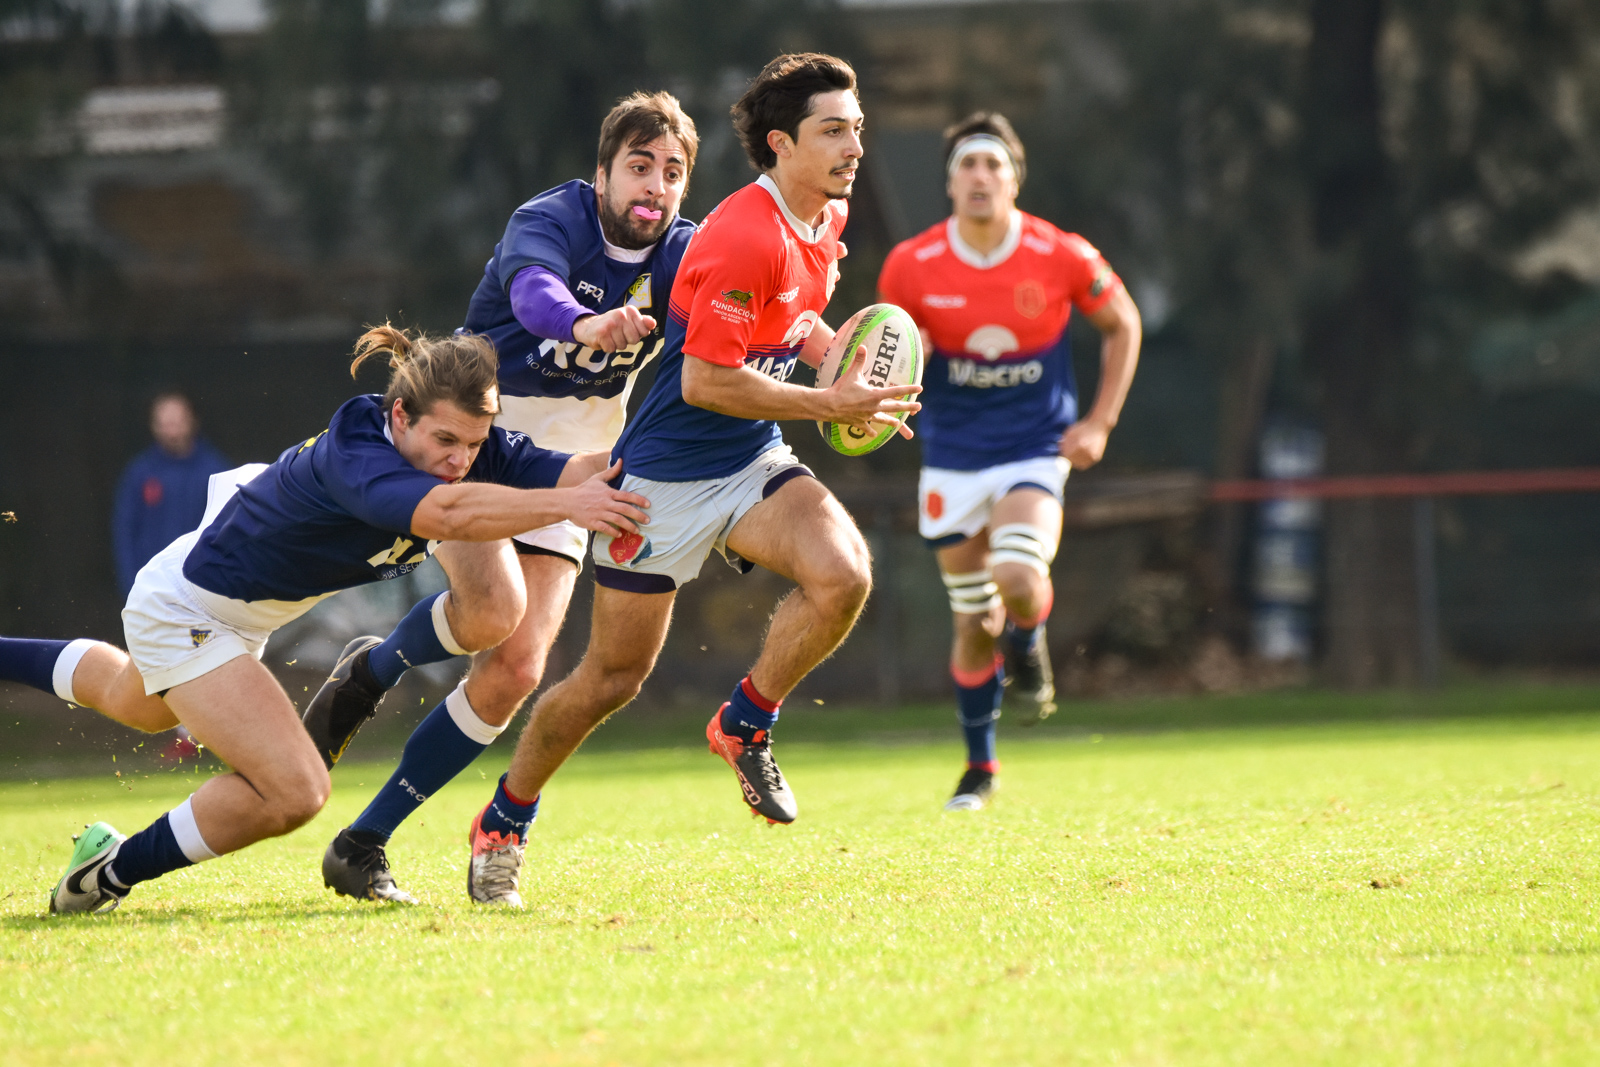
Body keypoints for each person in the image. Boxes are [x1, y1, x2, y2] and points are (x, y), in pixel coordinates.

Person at [443, 52, 920, 907]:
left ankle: (746, 719)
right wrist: (827, 398)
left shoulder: (827, 222)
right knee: (609, 679)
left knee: (844, 573)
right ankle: (504, 821)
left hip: (750, 458)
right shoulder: (746, 232)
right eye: (834, 130)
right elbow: (704, 381)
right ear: (782, 144)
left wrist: (841, 366)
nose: (854, 144)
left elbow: (791, 315)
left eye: (857, 127)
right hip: (661, 478)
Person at [1, 325, 648, 913]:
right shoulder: (360, 451)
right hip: (188, 608)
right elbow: (450, 515)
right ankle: (106, 873)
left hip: (232, 597)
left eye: (473, 444)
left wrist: (677, 439)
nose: (459, 458)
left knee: (135, 702)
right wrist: (570, 505)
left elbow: (589, 467)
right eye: (445, 440)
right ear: (400, 415)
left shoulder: (464, 448)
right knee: (295, 791)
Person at [299, 92, 700, 902]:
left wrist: (811, 339)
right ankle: (374, 669)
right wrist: (587, 327)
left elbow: (737, 318)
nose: (653, 186)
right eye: (638, 166)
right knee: (490, 613)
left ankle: (362, 839)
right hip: (477, 445)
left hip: (571, 472)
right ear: (601, 174)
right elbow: (533, 298)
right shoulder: (550, 219)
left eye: (672, 171)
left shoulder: (684, 253)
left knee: (517, 664)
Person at [877, 111, 1143, 812]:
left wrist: (1100, 423)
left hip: (1034, 447)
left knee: (1018, 575)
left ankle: (1030, 640)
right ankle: (979, 766)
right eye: (967, 164)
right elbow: (892, 351)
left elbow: (1124, 323)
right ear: (949, 182)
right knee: (972, 624)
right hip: (953, 456)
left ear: (1014, 179)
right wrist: (910, 365)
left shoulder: (1062, 255)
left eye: (993, 164)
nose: (980, 176)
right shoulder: (912, 264)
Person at [112, 393, 230, 597]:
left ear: (192, 421)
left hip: (202, 591)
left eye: (177, 423)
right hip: (151, 590)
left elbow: (227, 531)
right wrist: (132, 586)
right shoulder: (140, 472)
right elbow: (125, 530)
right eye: (164, 424)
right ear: (153, 426)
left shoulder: (215, 470)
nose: (172, 432)